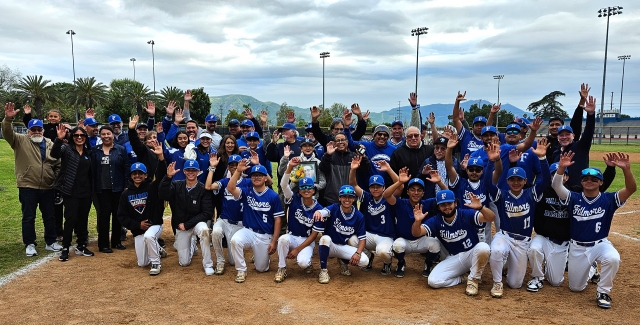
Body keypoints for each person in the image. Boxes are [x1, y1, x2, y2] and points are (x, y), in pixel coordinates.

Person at [552, 151, 636, 309]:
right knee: (576, 288)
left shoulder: (609, 199)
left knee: (613, 258)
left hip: (600, 244)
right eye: (585, 179)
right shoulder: (573, 198)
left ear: (601, 183)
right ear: (581, 182)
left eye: (594, 179)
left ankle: (603, 292)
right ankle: (591, 269)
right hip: (576, 247)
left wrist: (626, 169)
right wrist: (561, 169)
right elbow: (556, 185)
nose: (589, 181)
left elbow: (631, 189)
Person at [526, 157, 616, 293]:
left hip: (563, 243)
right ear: (551, 177)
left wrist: (610, 169)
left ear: (567, 177)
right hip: (543, 237)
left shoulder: (575, 193)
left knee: (555, 281)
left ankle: (590, 267)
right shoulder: (542, 191)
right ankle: (537, 277)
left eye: (562, 173)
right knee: (534, 249)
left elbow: (599, 186)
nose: (558, 176)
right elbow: (520, 185)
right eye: (553, 174)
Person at [485, 140, 549, 298]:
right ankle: (497, 282)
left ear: (525, 181)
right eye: (512, 180)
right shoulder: (502, 194)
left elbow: (545, 180)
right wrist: (491, 162)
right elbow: (487, 183)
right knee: (497, 250)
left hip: (523, 241)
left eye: (519, 180)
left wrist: (543, 159)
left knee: (515, 284)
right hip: (505, 236)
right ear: (507, 181)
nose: (516, 182)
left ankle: (509, 271)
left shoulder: (531, 194)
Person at [2, 103, 61, 256]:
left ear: (42, 130)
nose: (36, 132)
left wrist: (56, 178)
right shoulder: (20, 141)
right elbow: (8, 133)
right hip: (28, 185)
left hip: (47, 186)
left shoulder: (49, 143)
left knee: (49, 216)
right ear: (28, 131)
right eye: (33, 130)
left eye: (38, 129)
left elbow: (57, 162)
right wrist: (8, 120)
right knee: (29, 216)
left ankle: (51, 241)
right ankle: (29, 243)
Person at [411, 190, 495, 296]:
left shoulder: (465, 214)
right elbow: (416, 233)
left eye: (449, 203)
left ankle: (473, 280)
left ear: (455, 203)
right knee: (433, 281)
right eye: (443, 205)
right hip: (454, 258)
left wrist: (480, 208)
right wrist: (417, 221)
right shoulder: (436, 220)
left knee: (484, 247)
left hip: (472, 254)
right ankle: (462, 278)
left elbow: (491, 218)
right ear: (438, 207)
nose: (447, 207)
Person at [117, 144, 168, 276]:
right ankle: (158, 248)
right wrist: (137, 224)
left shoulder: (152, 187)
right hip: (138, 229)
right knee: (143, 263)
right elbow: (121, 216)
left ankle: (156, 263)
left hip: (154, 224)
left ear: (146, 175)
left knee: (149, 236)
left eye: (141, 173)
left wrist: (161, 158)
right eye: (135, 174)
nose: (138, 176)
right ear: (131, 176)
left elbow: (162, 175)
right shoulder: (126, 194)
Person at [227, 163, 284, 283]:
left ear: (265, 178)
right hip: (248, 231)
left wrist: (274, 241)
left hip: (264, 235)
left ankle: (262, 258)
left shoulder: (273, 196)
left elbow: (278, 220)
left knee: (261, 269)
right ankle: (241, 269)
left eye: (259, 175)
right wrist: (237, 171)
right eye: (254, 175)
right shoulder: (247, 192)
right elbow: (231, 188)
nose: (256, 178)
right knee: (235, 240)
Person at [383, 169, 446, 278]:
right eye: (412, 189)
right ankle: (401, 262)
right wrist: (400, 182)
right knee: (397, 245)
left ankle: (428, 263)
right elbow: (386, 195)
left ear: (423, 193)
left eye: (419, 190)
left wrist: (439, 182)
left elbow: (448, 196)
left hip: (421, 240)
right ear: (407, 192)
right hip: (404, 240)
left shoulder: (427, 203)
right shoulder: (401, 203)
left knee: (435, 244)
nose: (416, 193)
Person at [159, 160, 215, 275]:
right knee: (184, 262)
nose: (191, 172)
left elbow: (207, 213)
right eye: (188, 170)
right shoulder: (176, 185)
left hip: (195, 223)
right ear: (184, 171)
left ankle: (208, 264)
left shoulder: (203, 189)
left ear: (198, 172)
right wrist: (168, 177)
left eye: (193, 170)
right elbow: (162, 195)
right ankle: (192, 244)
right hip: (181, 225)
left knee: (204, 230)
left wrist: (188, 224)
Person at [276, 161, 324, 282]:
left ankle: (308, 263)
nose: (306, 190)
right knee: (282, 239)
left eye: (309, 187)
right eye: (303, 187)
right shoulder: (294, 199)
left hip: (307, 240)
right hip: (292, 237)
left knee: (302, 263)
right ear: (299, 190)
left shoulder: (319, 209)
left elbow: (314, 235)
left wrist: (297, 250)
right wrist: (290, 167)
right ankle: (281, 268)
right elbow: (284, 185)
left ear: (313, 190)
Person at [348, 156, 396, 275]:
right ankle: (368, 257)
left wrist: (389, 169)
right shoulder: (367, 197)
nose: (375, 189)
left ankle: (387, 262)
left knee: (383, 252)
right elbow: (353, 185)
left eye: (378, 186)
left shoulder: (388, 197)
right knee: (352, 240)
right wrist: (353, 169)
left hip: (385, 236)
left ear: (383, 187)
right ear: (369, 188)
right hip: (369, 234)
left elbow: (399, 185)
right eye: (373, 187)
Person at [51, 125, 93, 260]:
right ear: (72, 137)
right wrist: (59, 139)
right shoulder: (67, 149)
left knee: (82, 219)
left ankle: (81, 245)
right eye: (76, 135)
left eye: (82, 135)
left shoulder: (88, 153)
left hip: (86, 192)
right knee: (70, 219)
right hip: (70, 191)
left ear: (86, 138)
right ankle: (65, 247)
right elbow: (54, 154)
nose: (79, 138)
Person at [313, 185, 370, 284]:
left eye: (350, 197)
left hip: (343, 247)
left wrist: (358, 253)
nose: (347, 199)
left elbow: (362, 239)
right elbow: (324, 211)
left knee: (364, 261)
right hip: (329, 247)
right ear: (339, 198)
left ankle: (343, 261)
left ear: (354, 199)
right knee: (324, 238)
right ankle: (323, 271)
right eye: (344, 197)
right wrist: (319, 212)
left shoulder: (359, 216)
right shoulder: (334, 208)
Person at [443, 133, 492, 244]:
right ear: (466, 170)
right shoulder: (460, 182)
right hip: (462, 229)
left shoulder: (486, 184)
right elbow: (449, 167)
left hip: (480, 231)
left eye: (477, 170)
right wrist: (449, 149)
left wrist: (494, 160)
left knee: (481, 254)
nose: (474, 172)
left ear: (482, 171)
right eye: (471, 169)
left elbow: (497, 172)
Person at [205, 154, 249, 275]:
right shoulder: (224, 182)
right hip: (224, 220)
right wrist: (212, 168)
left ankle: (233, 253)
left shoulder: (248, 182)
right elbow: (208, 186)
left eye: (237, 165)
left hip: (239, 224)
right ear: (228, 168)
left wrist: (257, 165)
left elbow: (269, 182)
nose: (235, 167)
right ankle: (219, 261)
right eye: (232, 165)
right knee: (216, 232)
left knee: (233, 261)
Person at [91, 125, 130, 253]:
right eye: (103, 134)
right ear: (100, 136)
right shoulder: (94, 151)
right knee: (104, 216)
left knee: (118, 215)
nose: (106, 136)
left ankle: (116, 241)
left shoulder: (120, 149)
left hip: (118, 188)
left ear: (113, 135)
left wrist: (126, 185)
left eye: (108, 134)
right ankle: (103, 244)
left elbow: (126, 168)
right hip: (101, 189)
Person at [552, 95, 596, 188]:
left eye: (567, 134)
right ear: (557, 138)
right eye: (561, 135)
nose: (564, 137)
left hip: (578, 191)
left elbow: (589, 132)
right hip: (560, 191)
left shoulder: (581, 147)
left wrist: (591, 114)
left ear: (573, 136)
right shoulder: (556, 152)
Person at [319, 132, 371, 205]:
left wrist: (363, 156)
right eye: (338, 140)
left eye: (343, 140)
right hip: (332, 198)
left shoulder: (354, 156)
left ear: (347, 141)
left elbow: (367, 168)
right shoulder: (329, 156)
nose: (340, 142)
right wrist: (328, 155)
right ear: (334, 143)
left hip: (350, 197)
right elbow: (322, 169)